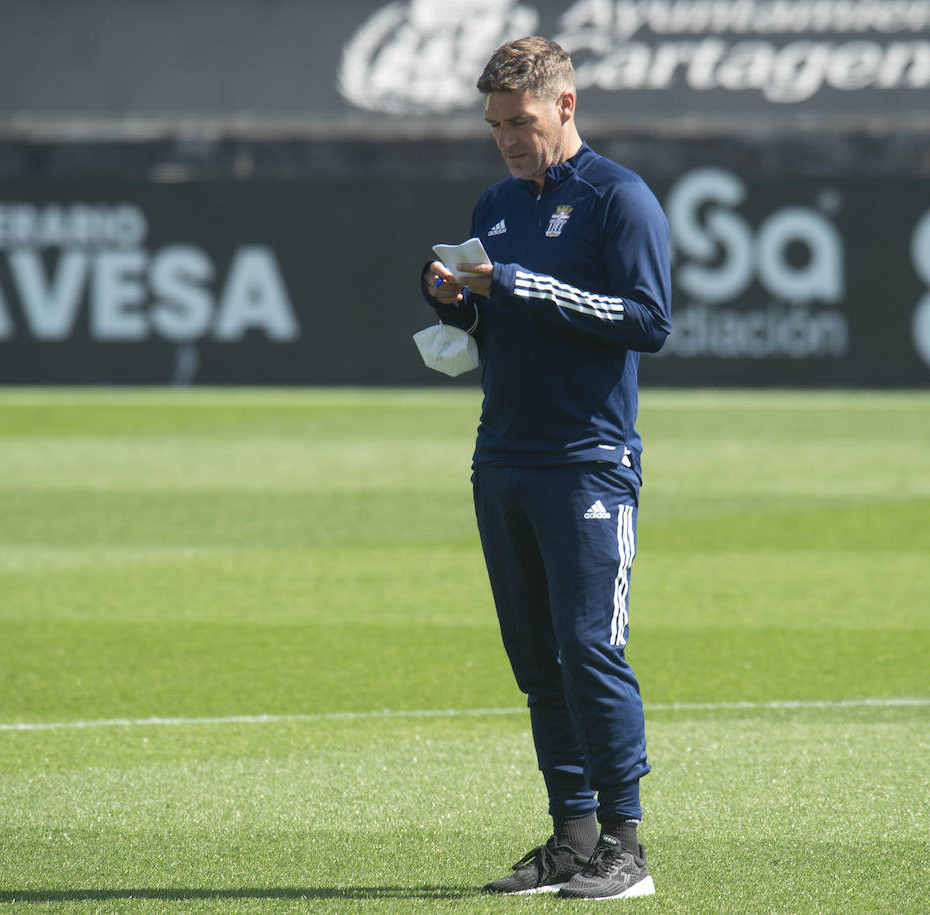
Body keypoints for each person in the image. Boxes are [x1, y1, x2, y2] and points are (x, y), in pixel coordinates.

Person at [418, 36, 671, 900]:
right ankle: (572, 836)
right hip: (503, 455)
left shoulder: (618, 198)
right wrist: (455, 299)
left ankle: (626, 845)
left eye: (519, 122)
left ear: (564, 105)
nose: (506, 139)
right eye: (494, 125)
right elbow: (496, 322)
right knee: (535, 659)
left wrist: (520, 285)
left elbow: (648, 320)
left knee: (589, 650)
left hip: (588, 458)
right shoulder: (495, 204)